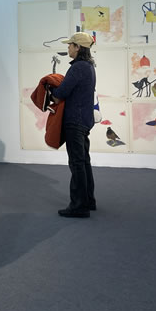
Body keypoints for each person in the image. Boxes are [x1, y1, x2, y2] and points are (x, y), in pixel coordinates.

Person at [51, 32, 97, 218]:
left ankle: (79, 206)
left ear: (78, 47)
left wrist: (51, 89)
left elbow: (61, 93)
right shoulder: (89, 66)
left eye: (70, 44)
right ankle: (88, 200)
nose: (68, 47)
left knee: (77, 163)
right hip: (84, 120)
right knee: (84, 161)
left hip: (75, 120)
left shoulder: (77, 67)